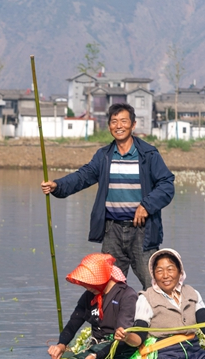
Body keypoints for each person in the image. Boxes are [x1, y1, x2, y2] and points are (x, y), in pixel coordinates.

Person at [40, 103, 174, 290]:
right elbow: (83, 176)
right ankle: (113, 320)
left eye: (123, 121)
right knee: (110, 289)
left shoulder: (148, 155)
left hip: (143, 231)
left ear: (133, 125)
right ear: (109, 126)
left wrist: (146, 206)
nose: (119, 126)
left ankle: (163, 318)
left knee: (154, 285)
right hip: (112, 232)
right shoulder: (104, 156)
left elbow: (167, 185)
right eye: (114, 122)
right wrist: (58, 185)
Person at [41, 253, 146, 359]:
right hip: (96, 348)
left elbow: (121, 341)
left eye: (91, 282)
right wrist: (61, 344)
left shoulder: (126, 296)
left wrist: (96, 356)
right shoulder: (89, 296)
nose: (87, 286)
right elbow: (73, 323)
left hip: (117, 351)